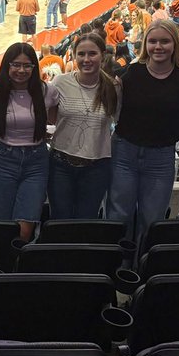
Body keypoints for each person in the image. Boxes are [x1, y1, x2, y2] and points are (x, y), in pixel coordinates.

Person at [107, 19, 179, 245]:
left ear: (175, 44)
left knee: (152, 219)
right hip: (125, 152)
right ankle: (118, 265)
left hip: (160, 157)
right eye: (153, 41)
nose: (158, 47)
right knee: (119, 216)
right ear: (145, 44)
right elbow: (114, 112)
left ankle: (143, 265)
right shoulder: (129, 74)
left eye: (165, 41)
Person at [46, 31, 118, 220]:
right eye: (81, 54)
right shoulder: (60, 82)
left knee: (86, 221)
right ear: (74, 55)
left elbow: (119, 120)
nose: (86, 59)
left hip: (97, 167)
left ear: (102, 56)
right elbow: (49, 118)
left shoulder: (113, 86)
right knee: (59, 220)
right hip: (60, 165)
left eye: (92, 54)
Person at [0, 42, 48, 242]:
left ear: (34, 67)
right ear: (7, 66)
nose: (21, 70)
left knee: (26, 225)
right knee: (3, 222)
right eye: (16, 65)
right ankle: (4, 268)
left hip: (36, 161)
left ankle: (19, 267)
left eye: (27, 65)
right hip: (3, 159)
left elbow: (57, 119)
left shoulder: (47, 91)